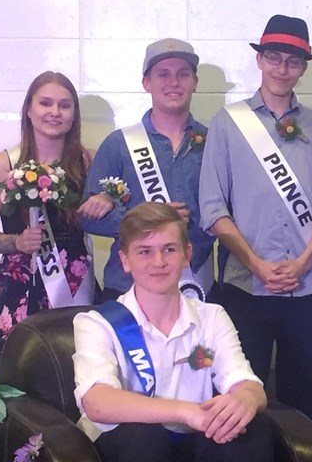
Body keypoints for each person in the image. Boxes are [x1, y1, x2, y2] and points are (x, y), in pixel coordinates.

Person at [72, 202, 287, 462]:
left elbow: (245, 381)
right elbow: (97, 401)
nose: (158, 261)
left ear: (187, 254)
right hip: (130, 453)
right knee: (144, 438)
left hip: (193, 443)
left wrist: (247, 400)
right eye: (144, 251)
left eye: (169, 249)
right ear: (124, 260)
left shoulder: (211, 316)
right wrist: (187, 412)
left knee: (251, 429)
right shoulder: (96, 322)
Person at [198, 14, 312, 420]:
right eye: (274, 57)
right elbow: (213, 209)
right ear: (259, 60)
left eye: (293, 61)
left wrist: (303, 262)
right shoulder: (228, 123)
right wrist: (257, 264)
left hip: (306, 286)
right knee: (243, 399)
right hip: (245, 288)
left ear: (303, 68)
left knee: (300, 403)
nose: (282, 69)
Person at [0, 71, 96, 371]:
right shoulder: (3, 164)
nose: (55, 112)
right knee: (17, 374)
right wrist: (15, 242)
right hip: (19, 284)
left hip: (74, 283)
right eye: (46, 103)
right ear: (29, 109)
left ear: (74, 115)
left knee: (75, 371)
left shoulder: (89, 161)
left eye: (64, 106)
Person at [78, 38, 214, 302]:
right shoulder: (119, 144)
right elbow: (87, 217)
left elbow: (227, 214)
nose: (173, 82)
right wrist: (148, 220)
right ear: (146, 83)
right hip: (126, 288)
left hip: (195, 288)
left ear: (194, 82)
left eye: (183, 74)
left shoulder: (215, 143)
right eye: (163, 74)